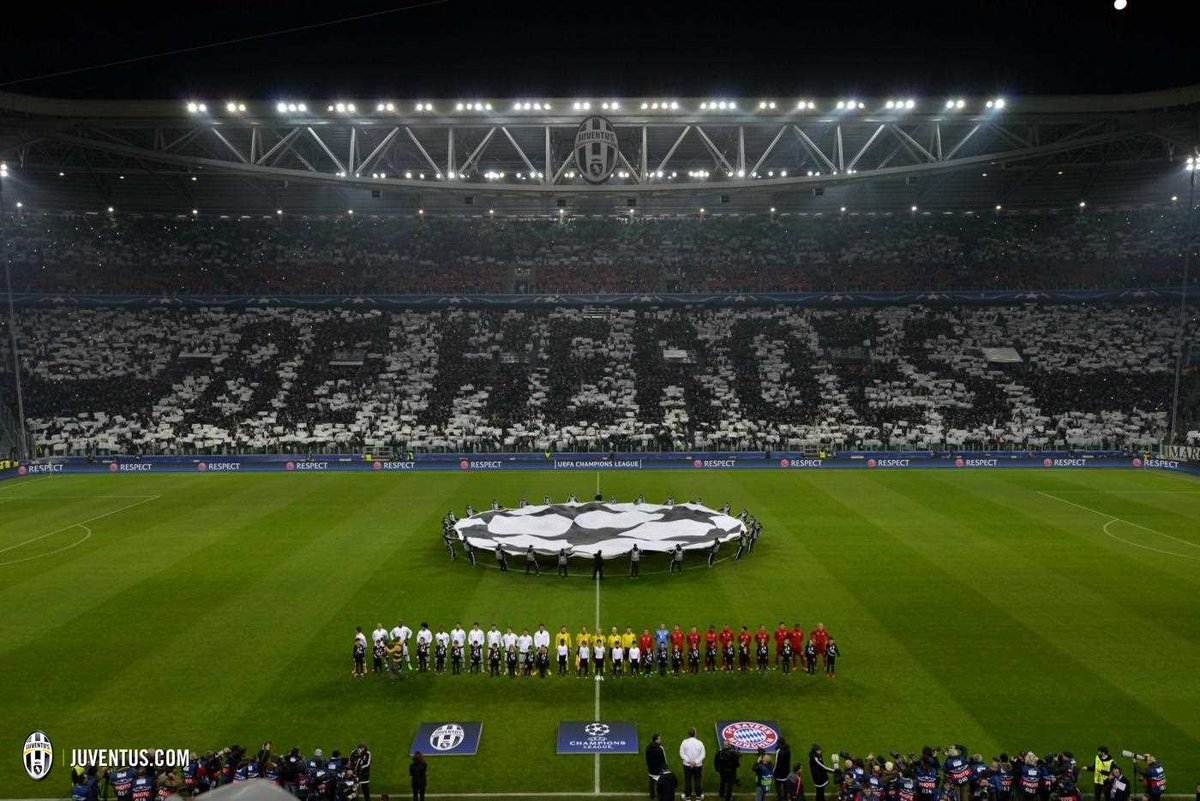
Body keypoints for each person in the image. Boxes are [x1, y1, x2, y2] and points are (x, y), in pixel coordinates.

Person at [680, 727, 707, 801]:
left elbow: (682, 753)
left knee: (687, 780)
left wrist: (689, 762)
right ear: (695, 734)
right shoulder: (700, 743)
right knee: (697, 780)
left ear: (689, 734)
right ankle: (698, 796)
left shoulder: (684, 742)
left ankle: (687, 796)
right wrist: (695, 762)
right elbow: (703, 754)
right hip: (697, 766)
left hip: (687, 765)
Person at [646, 734, 668, 800]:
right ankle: (660, 795)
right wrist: (665, 768)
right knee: (660, 784)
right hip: (658, 771)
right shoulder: (660, 748)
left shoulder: (648, 747)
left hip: (651, 770)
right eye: (659, 739)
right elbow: (663, 760)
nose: (660, 740)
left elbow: (647, 758)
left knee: (651, 784)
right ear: (656, 740)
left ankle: (652, 796)